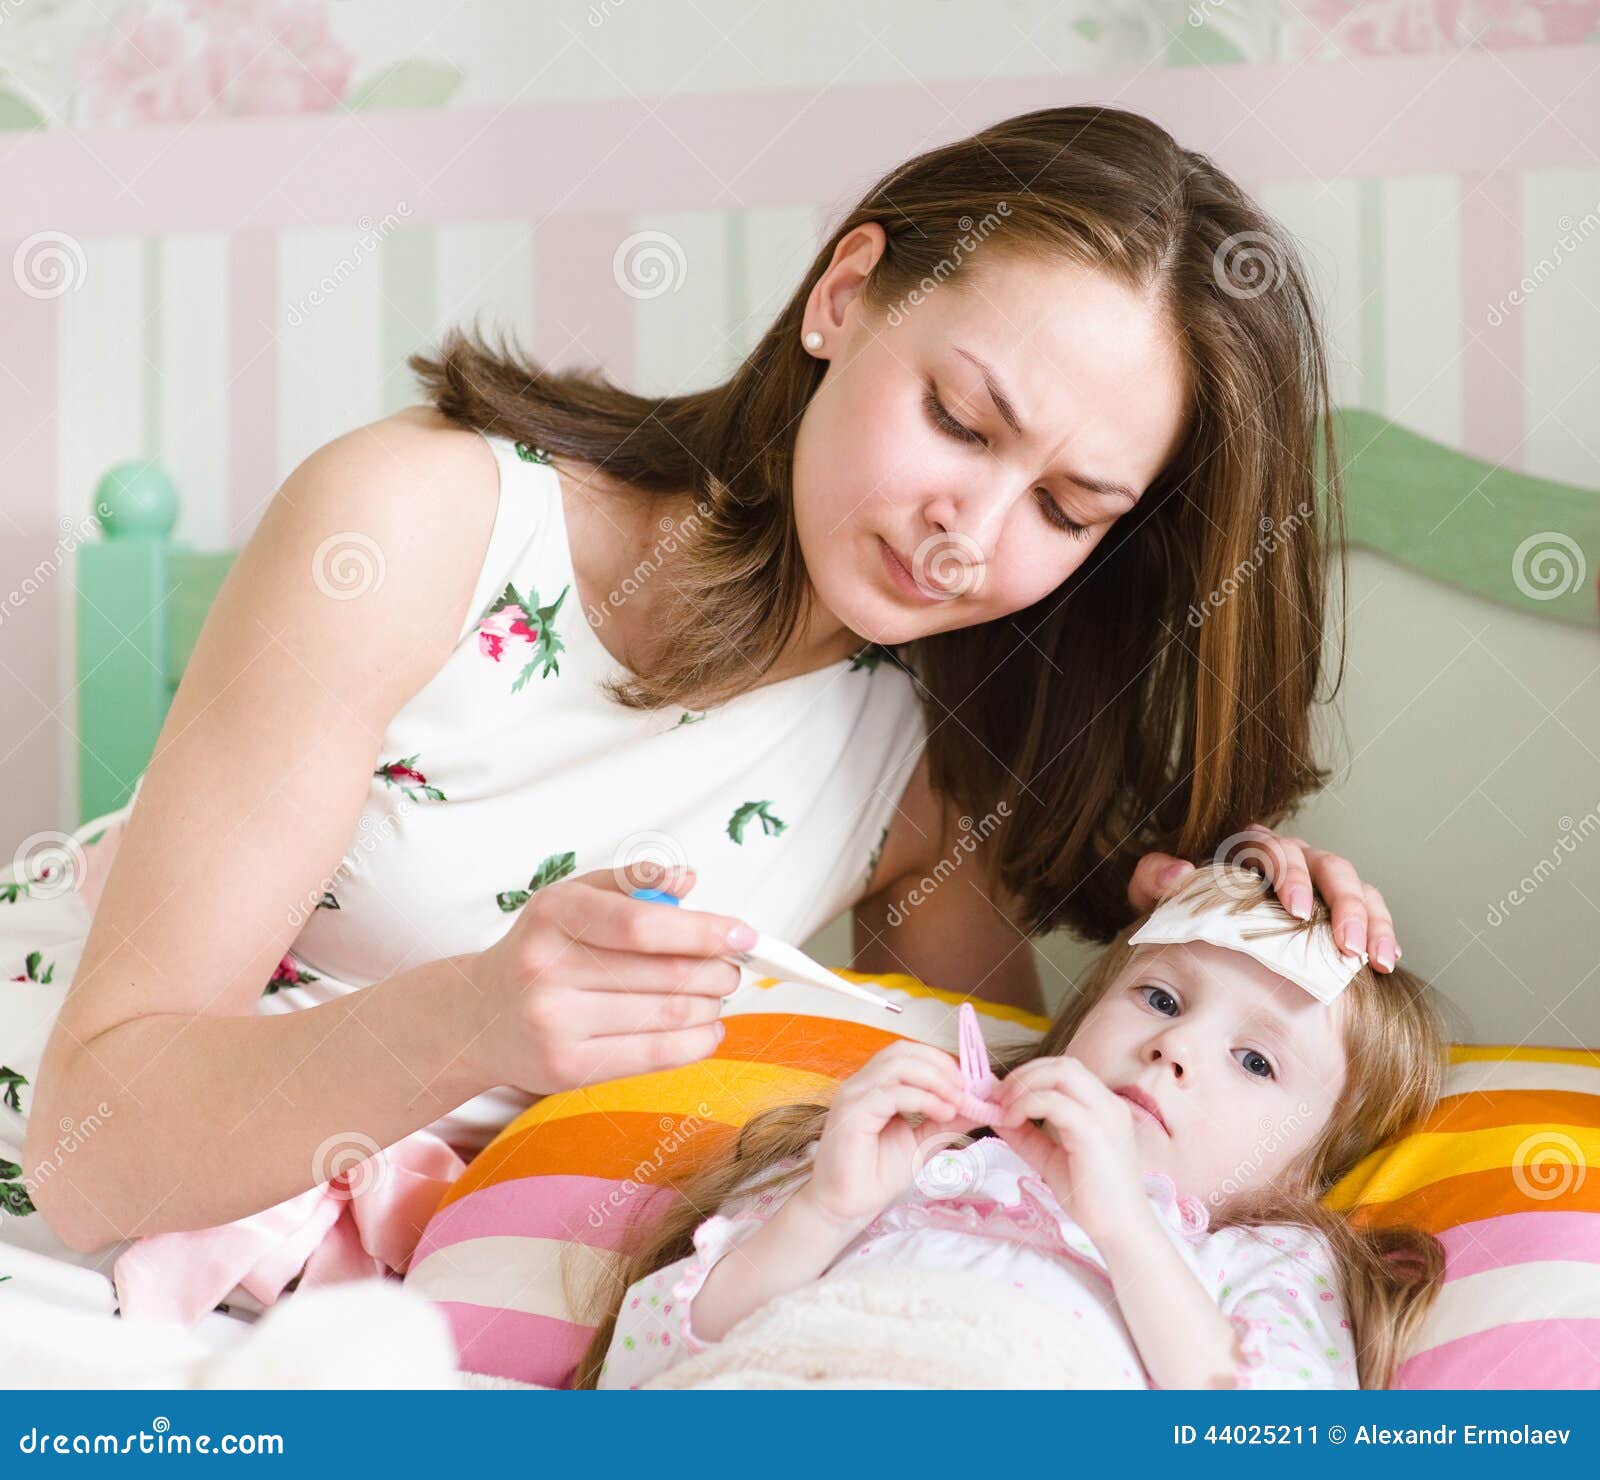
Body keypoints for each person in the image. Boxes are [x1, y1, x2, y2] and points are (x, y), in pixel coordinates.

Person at [5, 106, 1399, 1282]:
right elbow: (89, 1142)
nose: (967, 531)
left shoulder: (925, 759)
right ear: (845, 296)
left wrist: (1244, 957)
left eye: (1067, 505)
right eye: (959, 423)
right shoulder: (417, 530)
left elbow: (1014, 1126)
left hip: (339, 1296)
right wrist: (471, 1021)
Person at [580, 864, 1446, 1390]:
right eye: (1159, 998)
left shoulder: (1260, 1262)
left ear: (1304, 1176)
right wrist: (827, 1210)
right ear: (1075, 1027)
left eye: (1256, 1061)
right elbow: (644, 1366)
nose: (1175, 1044)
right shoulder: (908, 1153)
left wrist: (1123, 1225)